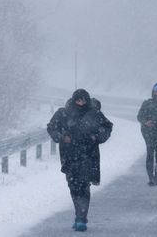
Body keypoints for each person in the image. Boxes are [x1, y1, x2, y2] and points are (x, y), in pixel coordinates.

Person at [47, 89, 113, 232]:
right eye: (78, 100)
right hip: (69, 156)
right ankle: (79, 212)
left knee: (84, 186)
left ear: (87, 100)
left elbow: (107, 127)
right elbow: (51, 127)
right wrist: (62, 136)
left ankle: (81, 218)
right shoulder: (63, 113)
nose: (81, 103)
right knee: (73, 186)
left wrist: (97, 137)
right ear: (74, 100)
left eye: (84, 100)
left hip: (88, 156)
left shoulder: (94, 114)